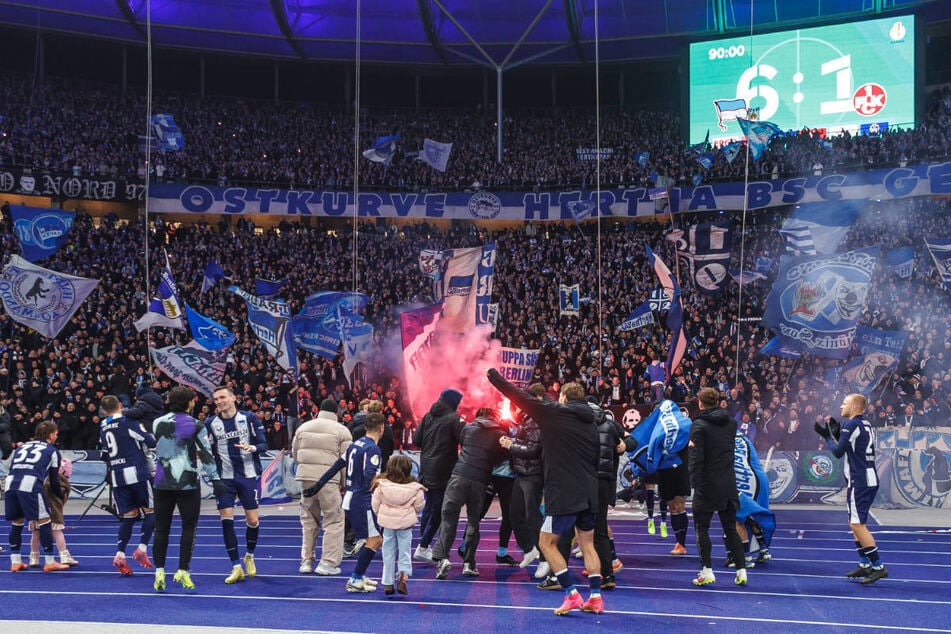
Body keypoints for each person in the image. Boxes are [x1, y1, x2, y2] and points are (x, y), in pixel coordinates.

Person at [487, 370, 604, 616]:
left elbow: (518, 396)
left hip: (563, 492)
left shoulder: (555, 414)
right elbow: (596, 458)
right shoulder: (591, 422)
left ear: (562, 398)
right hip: (589, 491)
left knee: (545, 543)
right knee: (588, 545)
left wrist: (493, 377)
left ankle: (571, 594)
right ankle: (595, 598)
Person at [151, 385, 227, 592]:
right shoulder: (196, 424)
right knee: (188, 527)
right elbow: (206, 453)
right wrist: (215, 479)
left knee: (161, 528)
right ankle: (183, 570)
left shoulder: (157, 423)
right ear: (189, 402)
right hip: (187, 483)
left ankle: (159, 571)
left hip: (161, 482)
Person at [303, 411, 386, 593]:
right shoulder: (372, 449)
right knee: (375, 540)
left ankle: (360, 575)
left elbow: (336, 466)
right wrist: (380, 483)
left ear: (365, 427)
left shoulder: (355, 445)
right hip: (362, 498)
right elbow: (369, 475)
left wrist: (318, 485)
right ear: (382, 428)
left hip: (350, 496)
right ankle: (356, 578)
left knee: (369, 538)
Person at [815, 393, 888, 584]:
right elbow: (852, 446)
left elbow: (839, 452)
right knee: (853, 522)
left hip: (860, 480)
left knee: (857, 524)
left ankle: (878, 566)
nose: (841, 406)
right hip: (867, 477)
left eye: (845, 403)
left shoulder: (852, 424)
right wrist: (838, 434)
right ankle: (865, 564)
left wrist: (828, 437)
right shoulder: (865, 424)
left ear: (854, 407)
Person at [432, 406, 507, 579]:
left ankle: (442, 558)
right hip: (480, 480)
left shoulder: (468, 428)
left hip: (459, 475)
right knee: (473, 522)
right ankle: (468, 563)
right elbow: (503, 455)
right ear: (494, 417)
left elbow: (464, 445)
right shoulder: (499, 433)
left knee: (449, 518)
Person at [204, 385, 268, 584]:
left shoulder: (249, 418)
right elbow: (207, 450)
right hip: (224, 478)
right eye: (216, 399)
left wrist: (253, 447)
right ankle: (235, 566)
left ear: (233, 398)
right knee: (226, 519)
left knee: (253, 520)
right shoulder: (210, 423)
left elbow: (264, 444)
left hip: (247, 475)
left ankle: (249, 555)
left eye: (222, 397)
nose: (219, 401)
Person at [688, 387, 747, 587]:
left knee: (701, 529)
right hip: (728, 483)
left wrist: (695, 484)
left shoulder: (699, 426)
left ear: (700, 402)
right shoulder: (731, 423)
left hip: (707, 485)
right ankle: (741, 571)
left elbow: (696, 459)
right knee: (730, 528)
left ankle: (706, 571)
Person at [292, 397, 352, 575]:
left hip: (306, 479)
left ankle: (306, 561)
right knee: (334, 520)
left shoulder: (303, 427)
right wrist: (343, 483)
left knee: (308, 520)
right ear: (336, 413)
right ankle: (327, 563)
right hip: (329, 481)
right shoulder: (342, 431)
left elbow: (296, 454)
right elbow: (346, 461)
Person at [99, 395, 157, 575]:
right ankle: (142, 548)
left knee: (129, 516)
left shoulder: (102, 426)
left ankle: (120, 553)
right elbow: (149, 441)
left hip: (117, 476)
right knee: (152, 511)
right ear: (120, 406)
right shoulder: (128, 421)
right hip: (137, 473)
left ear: (103, 410)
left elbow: (104, 454)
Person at [4, 420, 70, 572]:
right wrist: (59, 496)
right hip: (30, 484)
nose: (56, 436)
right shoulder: (52, 450)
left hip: (11, 483)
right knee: (45, 521)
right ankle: (49, 561)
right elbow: (54, 480)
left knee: (17, 523)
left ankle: (16, 561)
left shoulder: (23, 446)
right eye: (55, 433)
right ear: (50, 434)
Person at [411, 389, 465, 562]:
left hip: (426, 467)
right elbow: (465, 440)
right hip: (444, 469)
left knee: (430, 505)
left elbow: (416, 439)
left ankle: (423, 543)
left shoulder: (428, 416)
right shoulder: (454, 419)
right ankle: (424, 545)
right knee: (440, 509)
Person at [500, 383, 547, 579]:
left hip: (532, 474)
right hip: (522, 473)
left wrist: (510, 445)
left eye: (517, 404)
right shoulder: (526, 421)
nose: (515, 408)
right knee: (515, 514)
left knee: (532, 517)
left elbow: (533, 450)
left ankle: (545, 558)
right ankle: (529, 549)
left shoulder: (534, 421)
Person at [371, 454, 425, 595]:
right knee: (405, 551)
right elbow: (419, 506)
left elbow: (375, 505)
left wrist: (383, 515)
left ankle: (388, 583)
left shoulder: (381, 485)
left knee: (388, 552)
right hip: (405, 524)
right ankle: (403, 579)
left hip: (387, 524)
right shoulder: (415, 488)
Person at [28, 457, 78, 567]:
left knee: (36, 532)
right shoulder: (60, 482)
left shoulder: (42, 477)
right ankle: (64, 555)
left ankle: (34, 558)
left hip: (37, 508)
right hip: (53, 511)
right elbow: (61, 498)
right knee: (57, 532)